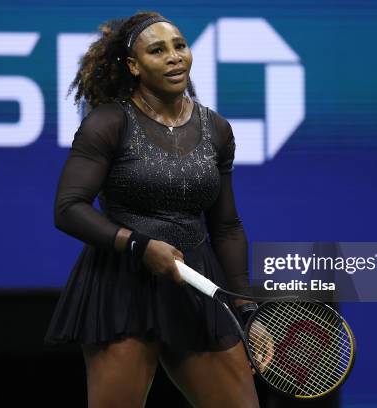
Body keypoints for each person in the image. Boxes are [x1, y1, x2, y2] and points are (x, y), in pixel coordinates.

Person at [45, 11, 261, 407]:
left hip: (196, 283)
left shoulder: (217, 129)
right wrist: (138, 245)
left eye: (179, 46)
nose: (174, 57)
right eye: (158, 50)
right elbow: (68, 208)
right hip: (121, 282)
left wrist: (245, 305)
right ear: (134, 66)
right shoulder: (108, 123)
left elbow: (226, 226)